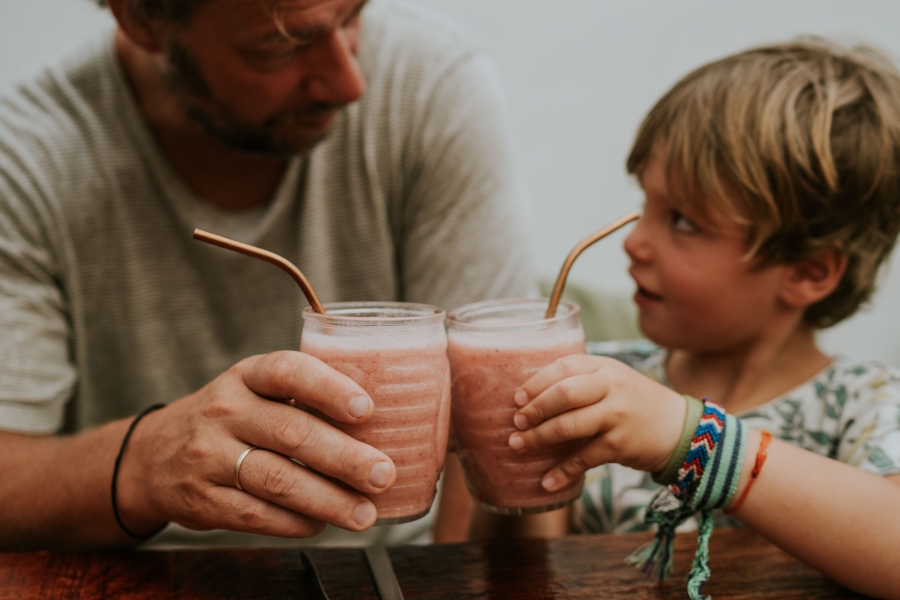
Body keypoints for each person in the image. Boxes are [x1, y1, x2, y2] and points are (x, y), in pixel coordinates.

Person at [0, 0, 534, 550]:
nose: (351, 83)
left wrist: (443, 587)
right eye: (281, 45)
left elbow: (479, 411)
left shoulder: (427, 86)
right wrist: (141, 461)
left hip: (396, 570)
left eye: (352, 16)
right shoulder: (23, 158)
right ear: (142, 20)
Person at [456, 39, 900, 599]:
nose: (636, 243)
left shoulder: (864, 404)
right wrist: (509, 447)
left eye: (685, 221)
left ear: (809, 271)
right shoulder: (604, 381)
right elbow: (517, 572)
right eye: (646, 205)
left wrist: (690, 437)